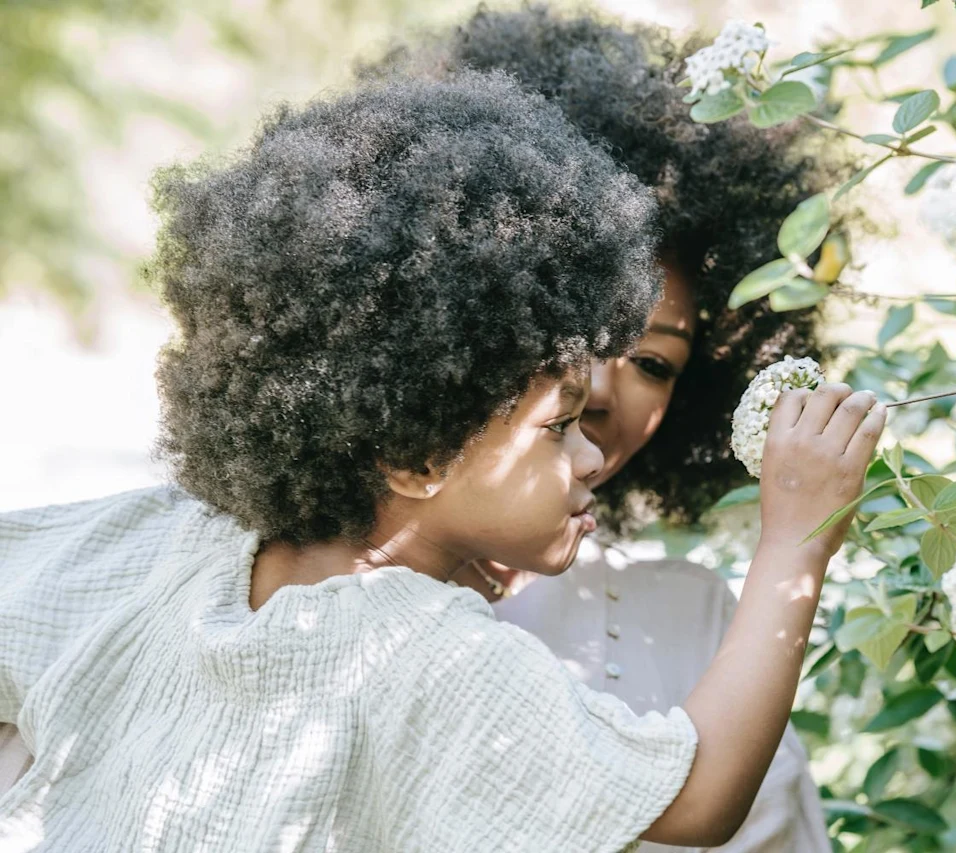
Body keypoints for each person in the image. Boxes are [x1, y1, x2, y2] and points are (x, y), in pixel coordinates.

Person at [0, 70, 886, 851]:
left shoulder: (168, 546)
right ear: (418, 454)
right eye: (559, 423)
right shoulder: (438, 657)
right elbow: (698, 797)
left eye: (651, 362)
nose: (590, 448)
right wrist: (794, 546)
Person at [370, 9, 839, 850]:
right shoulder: (266, 584)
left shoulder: (695, 622)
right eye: (583, 331)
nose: (600, 392)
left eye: (655, 362)